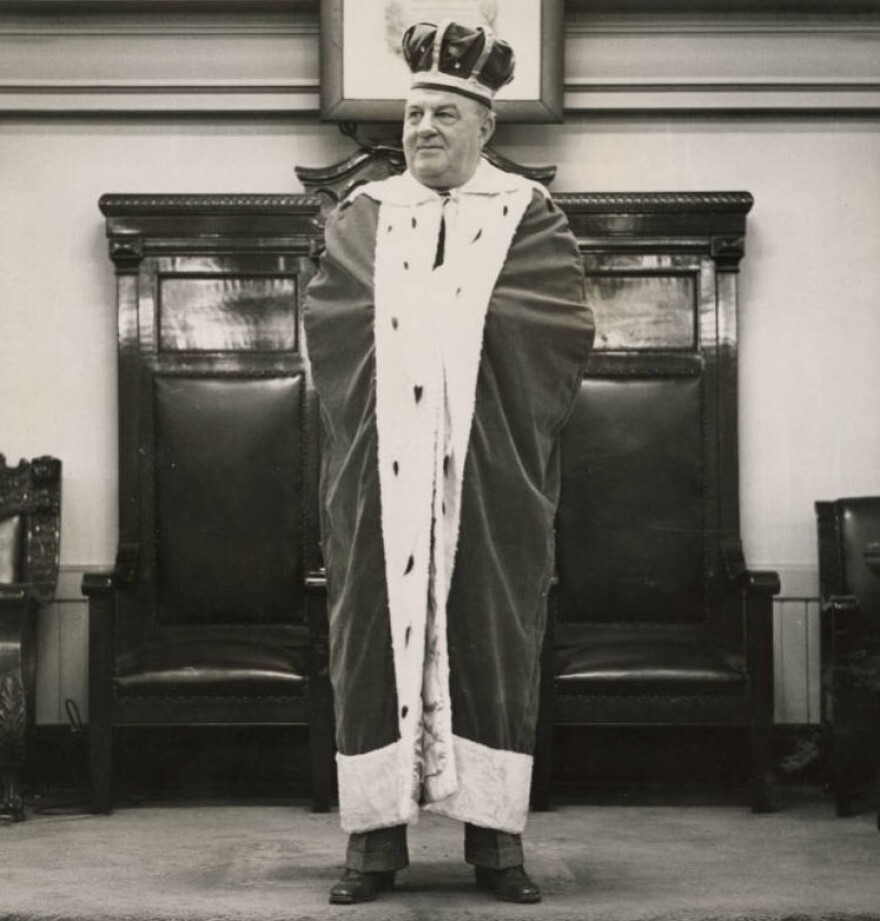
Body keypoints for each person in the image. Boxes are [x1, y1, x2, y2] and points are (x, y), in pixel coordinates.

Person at [303, 20, 594, 905]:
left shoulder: (527, 215)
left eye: (442, 115)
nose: (422, 128)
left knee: (494, 635)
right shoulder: (365, 213)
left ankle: (496, 844)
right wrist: (416, 342)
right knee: (366, 642)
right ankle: (373, 843)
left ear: (484, 129)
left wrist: (452, 340)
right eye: (413, 114)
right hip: (381, 466)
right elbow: (330, 321)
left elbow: (562, 328)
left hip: (486, 467)